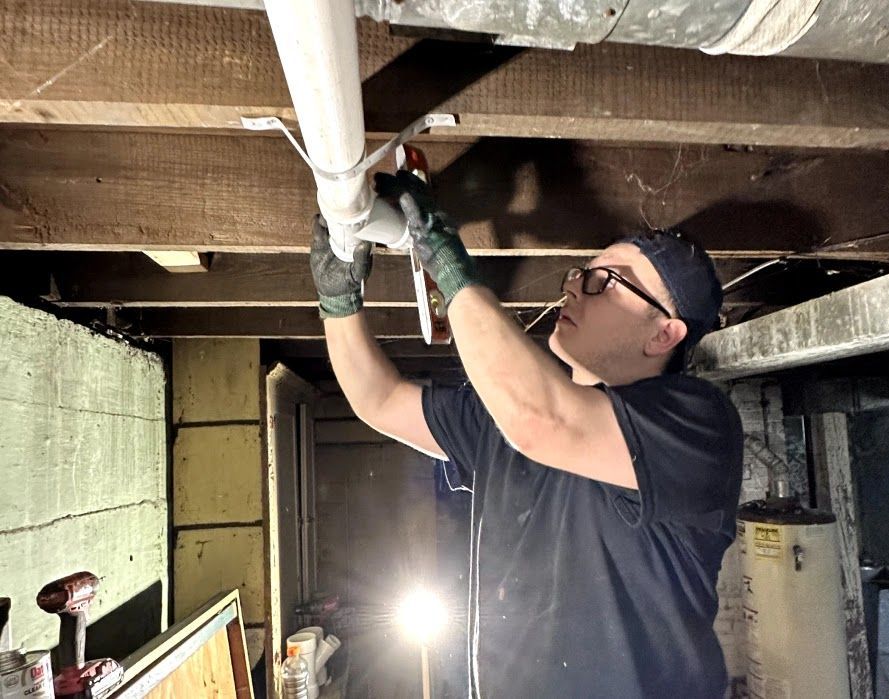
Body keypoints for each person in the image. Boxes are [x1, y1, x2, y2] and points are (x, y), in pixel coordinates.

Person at [310, 171, 744, 698]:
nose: (573, 287)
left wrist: (448, 262)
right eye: (582, 273)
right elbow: (378, 400)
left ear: (664, 334)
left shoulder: (696, 423)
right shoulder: (507, 417)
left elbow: (542, 421)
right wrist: (338, 301)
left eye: (605, 281)